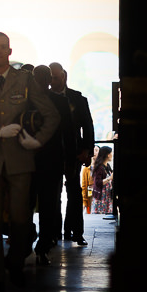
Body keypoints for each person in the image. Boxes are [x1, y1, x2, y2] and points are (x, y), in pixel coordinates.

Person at [0, 32, 60, 292]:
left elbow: (51, 114)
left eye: (2, 47)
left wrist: (38, 141)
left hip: (20, 158)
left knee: (21, 220)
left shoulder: (25, 80)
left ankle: (16, 264)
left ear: (9, 51)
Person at [30, 64, 73, 266]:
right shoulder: (59, 102)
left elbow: (69, 134)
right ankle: (42, 246)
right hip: (45, 160)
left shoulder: (27, 103)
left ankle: (40, 244)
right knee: (46, 206)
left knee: (40, 206)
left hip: (41, 160)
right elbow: (69, 135)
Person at [48, 63, 95, 245]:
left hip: (74, 151)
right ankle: (54, 232)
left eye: (56, 78)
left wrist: (87, 150)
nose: (53, 82)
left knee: (75, 193)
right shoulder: (46, 98)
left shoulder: (77, 98)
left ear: (64, 77)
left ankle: (75, 232)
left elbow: (88, 126)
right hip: (53, 152)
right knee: (53, 193)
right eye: (51, 79)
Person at [92, 145, 115, 215]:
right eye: (111, 153)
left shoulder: (107, 166)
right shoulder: (99, 167)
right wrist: (109, 178)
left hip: (107, 197)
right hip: (101, 198)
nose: (112, 155)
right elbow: (98, 182)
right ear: (108, 155)